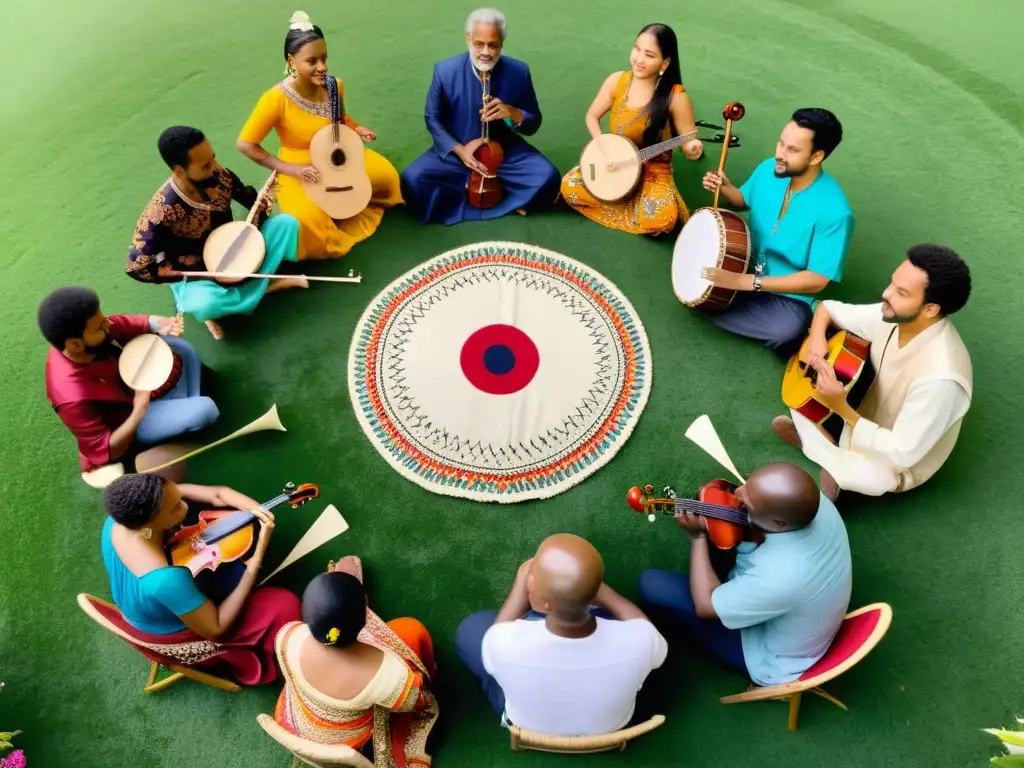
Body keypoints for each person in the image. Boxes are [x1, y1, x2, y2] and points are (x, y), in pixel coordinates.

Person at [770, 244, 973, 500]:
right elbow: (828, 308)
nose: (886, 294)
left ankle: (822, 449)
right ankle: (827, 451)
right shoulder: (894, 315)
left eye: (901, 292)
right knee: (804, 391)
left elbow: (903, 452)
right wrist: (818, 339)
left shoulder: (942, 379)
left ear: (930, 309)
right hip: (857, 407)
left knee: (878, 477)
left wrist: (840, 407)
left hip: (895, 455)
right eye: (892, 282)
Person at [638, 463, 852, 688]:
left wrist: (698, 538)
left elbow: (706, 607)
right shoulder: (818, 504)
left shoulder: (781, 578)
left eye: (745, 505)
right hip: (806, 610)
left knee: (652, 586)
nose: (738, 491)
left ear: (779, 523)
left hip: (772, 656)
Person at [456, 534, 667, 736]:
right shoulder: (640, 640)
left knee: (470, 630)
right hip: (610, 727)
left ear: (546, 603)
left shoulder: (504, 642)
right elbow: (645, 630)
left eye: (533, 574)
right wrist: (597, 591)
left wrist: (519, 594)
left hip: (529, 726)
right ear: (595, 595)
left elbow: (496, 635)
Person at [100, 474, 301, 685]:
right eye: (175, 508)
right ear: (147, 524)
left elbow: (217, 493)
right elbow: (216, 628)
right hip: (169, 630)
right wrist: (255, 561)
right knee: (284, 603)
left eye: (178, 498)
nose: (185, 507)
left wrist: (256, 510)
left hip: (142, 600)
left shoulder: (120, 517)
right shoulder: (165, 580)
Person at [237, 11, 402, 260]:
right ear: (292, 61)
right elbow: (246, 144)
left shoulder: (335, 85)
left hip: (335, 150)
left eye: (324, 58)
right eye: (312, 61)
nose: (322, 67)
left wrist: (356, 128)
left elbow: (339, 117)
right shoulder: (275, 99)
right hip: (299, 165)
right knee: (308, 220)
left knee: (386, 177)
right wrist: (288, 169)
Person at [126, 126, 307, 341]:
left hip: (236, 248)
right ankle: (264, 286)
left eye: (213, 159)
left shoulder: (219, 174)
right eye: (204, 166)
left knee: (286, 225)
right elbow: (138, 266)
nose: (214, 168)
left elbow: (245, 196)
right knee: (206, 303)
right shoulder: (160, 213)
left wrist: (258, 208)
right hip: (203, 274)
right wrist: (184, 268)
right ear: (179, 171)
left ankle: (248, 291)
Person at [701, 108, 854, 351]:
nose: (780, 155)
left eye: (792, 150)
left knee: (786, 330)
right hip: (739, 261)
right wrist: (726, 187)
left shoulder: (836, 212)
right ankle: (719, 299)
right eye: (781, 144)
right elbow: (742, 201)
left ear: (816, 156)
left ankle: (715, 303)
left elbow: (816, 280)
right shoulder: (768, 168)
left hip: (784, 293)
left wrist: (747, 282)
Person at [399, 8, 561, 225]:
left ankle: (481, 189)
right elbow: (432, 118)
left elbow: (533, 122)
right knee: (413, 180)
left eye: (493, 45)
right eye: (479, 44)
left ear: (501, 44)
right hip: (456, 154)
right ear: (468, 39)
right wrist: (460, 151)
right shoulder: (445, 71)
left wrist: (512, 113)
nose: (486, 52)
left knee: (548, 177)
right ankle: (485, 189)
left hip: (505, 154)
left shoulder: (519, 71)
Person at [273, 557, 438, 766]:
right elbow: (414, 701)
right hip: (344, 738)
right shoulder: (387, 674)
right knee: (411, 630)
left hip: (295, 718)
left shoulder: (289, 635)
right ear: (366, 620)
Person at [39, 286, 219, 477]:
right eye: (100, 327)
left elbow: (119, 323)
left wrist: (158, 324)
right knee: (205, 409)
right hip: (131, 417)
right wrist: (138, 412)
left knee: (178, 346)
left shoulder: (89, 338)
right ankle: (181, 408)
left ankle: (179, 406)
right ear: (75, 344)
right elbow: (108, 450)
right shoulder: (71, 397)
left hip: (134, 384)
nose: (108, 325)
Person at [560, 23, 702, 236]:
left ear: (665, 62)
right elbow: (592, 116)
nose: (639, 59)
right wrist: (602, 148)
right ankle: (624, 203)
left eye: (649, 55)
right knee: (569, 187)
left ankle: (621, 202)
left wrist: (692, 148)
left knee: (662, 219)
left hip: (653, 173)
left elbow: (689, 138)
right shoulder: (617, 81)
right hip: (614, 164)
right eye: (637, 49)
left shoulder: (676, 98)